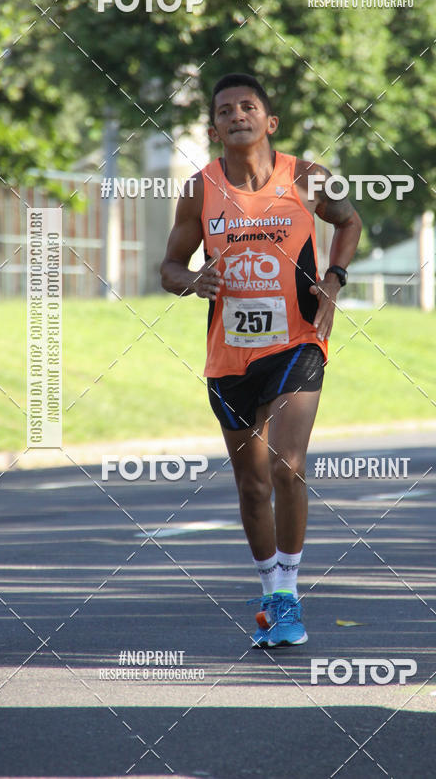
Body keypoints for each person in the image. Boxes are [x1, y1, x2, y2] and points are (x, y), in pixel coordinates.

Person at [160, 73, 361, 647]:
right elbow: (169, 267)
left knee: (288, 464)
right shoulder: (200, 190)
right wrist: (193, 278)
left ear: (269, 122)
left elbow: (349, 223)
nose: (236, 115)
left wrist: (333, 279)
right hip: (230, 355)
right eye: (224, 110)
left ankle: (291, 595)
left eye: (248, 107)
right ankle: (271, 590)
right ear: (214, 128)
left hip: (298, 339)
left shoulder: (306, 177)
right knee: (251, 486)